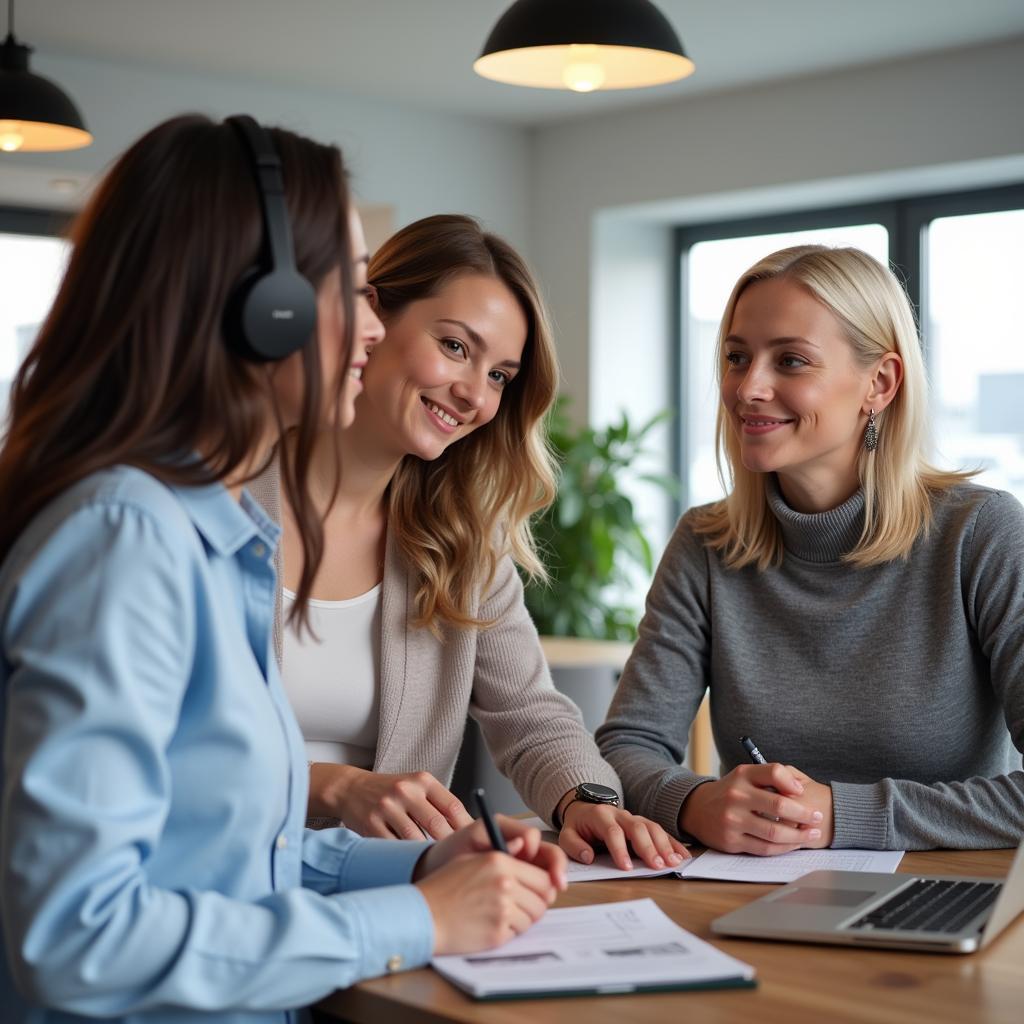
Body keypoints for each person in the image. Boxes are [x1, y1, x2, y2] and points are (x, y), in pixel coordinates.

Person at [0, 115, 567, 1024]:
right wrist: (416, 918)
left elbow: (224, 854)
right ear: (268, 312)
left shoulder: (209, 531)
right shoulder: (125, 539)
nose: (374, 326)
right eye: (354, 287)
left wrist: (421, 868)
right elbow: (79, 934)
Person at [249, 214, 690, 873]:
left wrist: (586, 799)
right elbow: (165, 741)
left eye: (500, 377)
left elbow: (530, 713)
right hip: (219, 876)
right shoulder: (219, 498)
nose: (474, 395)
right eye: (456, 347)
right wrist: (329, 786)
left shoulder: (459, 537)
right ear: (373, 319)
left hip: (385, 884)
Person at [596, 244, 1024, 854]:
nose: (748, 388)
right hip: (747, 899)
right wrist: (693, 802)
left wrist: (841, 815)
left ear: (880, 383)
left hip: (949, 901)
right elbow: (627, 746)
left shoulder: (981, 534)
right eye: (737, 357)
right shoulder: (706, 544)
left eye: (791, 361)